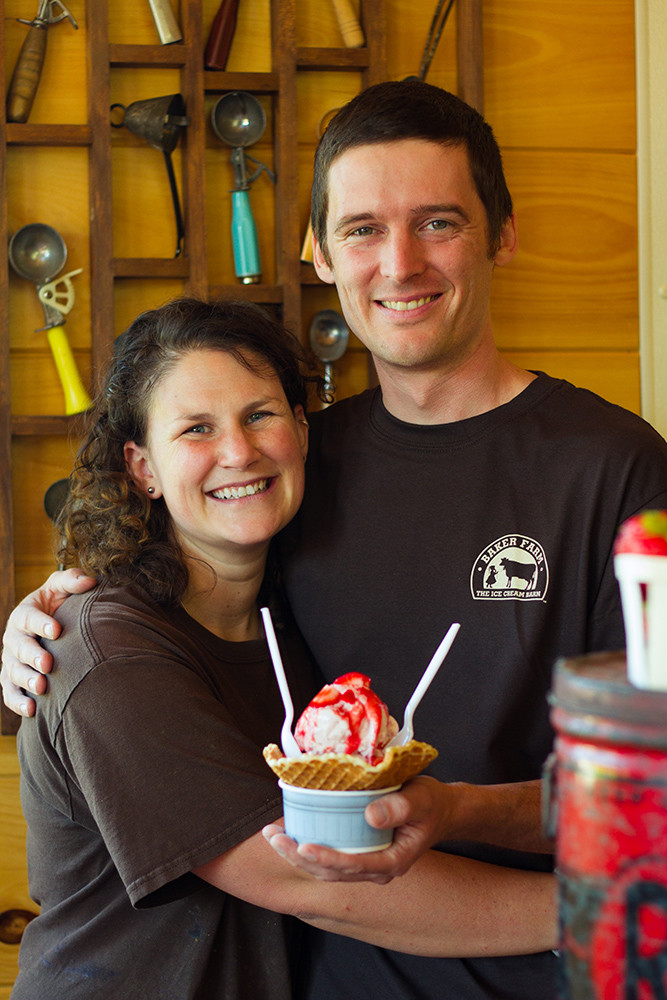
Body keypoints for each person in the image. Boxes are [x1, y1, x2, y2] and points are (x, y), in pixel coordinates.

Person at [5, 79, 667, 997]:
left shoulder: (615, 468)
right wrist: (49, 612)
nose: (398, 263)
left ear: (500, 235)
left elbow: (651, 784)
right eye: (361, 228)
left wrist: (459, 814)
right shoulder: (296, 472)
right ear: (319, 251)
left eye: (438, 222)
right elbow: (163, 599)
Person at [5, 296, 557, 1000]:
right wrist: (602, 911)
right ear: (141, 467)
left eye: (260, 414)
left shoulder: (291, 616)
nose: (237, 451)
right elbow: (308, 880)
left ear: (300, 427)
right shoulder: (107, 653)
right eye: (196, 428)